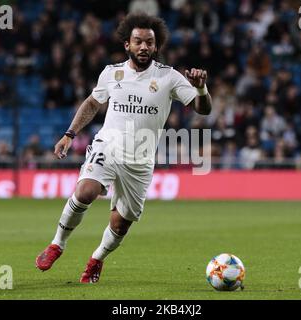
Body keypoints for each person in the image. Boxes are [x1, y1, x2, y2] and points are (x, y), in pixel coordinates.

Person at [35, 13, 212, 283]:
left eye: (149, 43)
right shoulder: (111, 73)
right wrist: (70, 134)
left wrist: (200, 89)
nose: (144, 47)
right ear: (127, 44)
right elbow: (92, 103)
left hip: (140, 160)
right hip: (109, 146)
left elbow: (204, 109)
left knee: (120, 224)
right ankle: (57, 244)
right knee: (85, 191)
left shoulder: (170, 77)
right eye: (138, 41)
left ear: (156, 46)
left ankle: (96, 260)